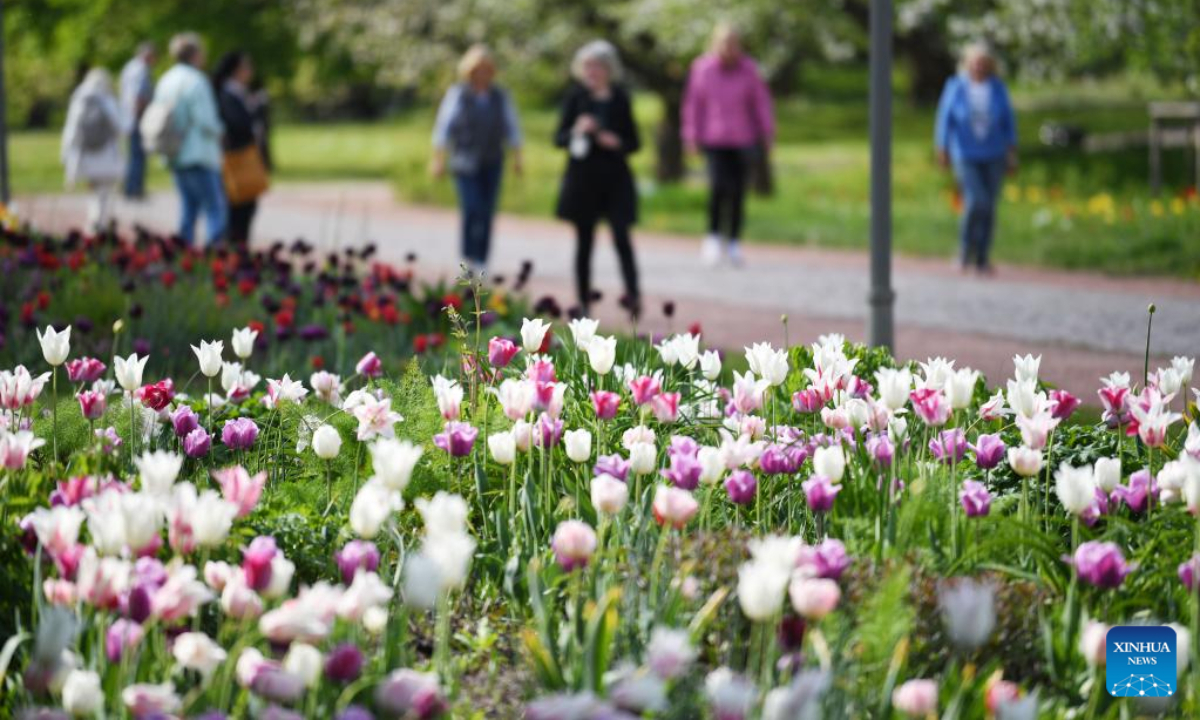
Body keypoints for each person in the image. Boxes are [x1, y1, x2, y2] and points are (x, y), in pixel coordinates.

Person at [553, 40, 642, 319]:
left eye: (597, 66)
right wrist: (578, 129)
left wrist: (615, 141)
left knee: (621, 237)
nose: (592, 72)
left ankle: (633, 297)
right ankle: (583, 303)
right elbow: (559, 138)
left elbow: (634, 142)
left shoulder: (619, 98)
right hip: (583, 180)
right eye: (587, 66)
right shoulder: (576, 98)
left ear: (608, 69)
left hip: (615, 178)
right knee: (584, 242)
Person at [681, 23, 774, 267]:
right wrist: (691, 135)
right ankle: (712, 236)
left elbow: (760, 102)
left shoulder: (749, 69)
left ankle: (733, 240)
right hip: (715, 138)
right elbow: (694, 104)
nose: (729, 49)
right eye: (725, 43)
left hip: (743, 138)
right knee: (718, 187)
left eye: (734, 44)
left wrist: (767, 131)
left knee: (738, 191)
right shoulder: (703, 68)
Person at [431, 45, 523, 276]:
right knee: (472, 208)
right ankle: (468, 257)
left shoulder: (500, 96)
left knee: (487, 211)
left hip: (492, 159)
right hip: (465, 160)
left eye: (486, 69)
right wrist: (438, 159)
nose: (482, 73)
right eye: (477, 69)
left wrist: (517, 157)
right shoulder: (459, 94)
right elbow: (443, 127)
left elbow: (512, 128)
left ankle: (482, 259)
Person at [934, 43, 1017, 275]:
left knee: (989, 205)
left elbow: (1008, 122)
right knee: (975, 200)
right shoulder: (956, 86)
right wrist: (942, 148)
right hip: (964, 153)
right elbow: (944, 118)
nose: (979, 66)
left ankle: (982, 256)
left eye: (983, 62)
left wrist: (1012, 153)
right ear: (967, 63)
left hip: (994, 153)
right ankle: (964, 250)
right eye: (975, 62)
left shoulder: (998, 88)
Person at [150, 32, 226, 246]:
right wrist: (222, 131)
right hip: (198, 153)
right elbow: (206, 120)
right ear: (195, 54)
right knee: (215, 208)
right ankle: (215, 254)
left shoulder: (166, 79)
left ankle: (183, 252)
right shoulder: (196, 80)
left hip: (175, 152)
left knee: (188, 207)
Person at [213, 51, 270, 244]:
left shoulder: (239, 92)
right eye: (247, 67)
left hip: (245, 155)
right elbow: (237, 124)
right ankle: (235, 249)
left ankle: (239, 247)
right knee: (238, 208)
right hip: (237, 157)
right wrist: (255, 112)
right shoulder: (229, 94)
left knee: (246, 207)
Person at [61, 68, 127, 229]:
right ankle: (100, 222)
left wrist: (66, 156)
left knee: (93, 190)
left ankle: (94, 220)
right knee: (104, 191)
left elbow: (71, 130)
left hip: (87, 154)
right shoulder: (107, 100)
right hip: (106, 154)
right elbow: (120, 127)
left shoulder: (79, 99)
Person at [119, 42, 156, 199]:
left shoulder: (129, 68)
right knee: (138, 155)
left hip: (128, 116)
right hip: (137, 117)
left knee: (133, 154)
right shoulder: (141, 70)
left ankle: (129, 186)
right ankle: (134, 188)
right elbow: (139, 96)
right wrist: (142, 116)